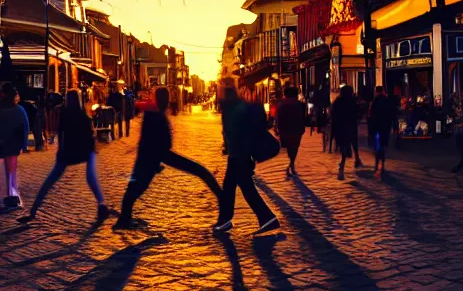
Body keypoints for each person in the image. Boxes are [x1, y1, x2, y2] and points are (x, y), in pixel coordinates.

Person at [114, 87, 222, 229]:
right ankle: (124, 220)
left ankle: (124, 219)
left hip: (154, 157)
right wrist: (154, 161)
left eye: (152, 94)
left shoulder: (155, 113)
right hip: (154, 157)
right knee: (136, 187)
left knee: (136, 186)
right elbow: (152, 140)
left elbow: (151, 140)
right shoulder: (155, 113)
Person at [18, 90, 108, 223]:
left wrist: (61, 151)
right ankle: (102, 204)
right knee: (89, 179)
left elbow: (64, 135)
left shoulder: (71, 114)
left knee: (51, 182)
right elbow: (84, 135)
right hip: (81, 151)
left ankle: (33, 212)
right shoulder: (80, 115)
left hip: (74, 151)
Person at [214, 87, 279, 234]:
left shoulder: (234, 110)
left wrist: (242, 154)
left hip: (239, 155)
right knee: (236, 186)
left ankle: (264, 218)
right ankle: (264, 218)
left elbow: (237, 134)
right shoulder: (235, 107)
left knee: (238, 186)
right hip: (238, 154)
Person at [0, 83, 30, 209]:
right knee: (11, 172)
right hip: (13, 145)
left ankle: (4, 198)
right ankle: (12, 197)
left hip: (3, 144)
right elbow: (26, 128)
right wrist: (23, 145)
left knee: (3, 172)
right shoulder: (19, 110)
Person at [331, 85, 363, 179]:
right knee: (353, 142)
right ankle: (352, 160)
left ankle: (344, 165)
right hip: (350, 125)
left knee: (344, 146)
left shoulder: (337, 102)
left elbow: (334, 115)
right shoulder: (352, 102)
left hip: (340, 126)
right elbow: (357, 113)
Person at [276, 86, 306, 176]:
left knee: (289, 146)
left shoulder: (282, 104)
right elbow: (303, 118)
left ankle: (291, 162)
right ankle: (292, 162)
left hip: (285, 129)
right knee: (295, 146)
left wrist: (278, 128)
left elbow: (279, 117)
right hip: (296, 128)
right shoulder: (300, 105)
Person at [368, 86, 394, 176]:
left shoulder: (374, 101)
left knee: (377, 146)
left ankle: (376, 165)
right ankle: (382, 165)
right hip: (385, 127)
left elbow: (370, 114)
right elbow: (391, 114)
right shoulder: (386, 101)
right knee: (383, 145)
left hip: (376, 127)